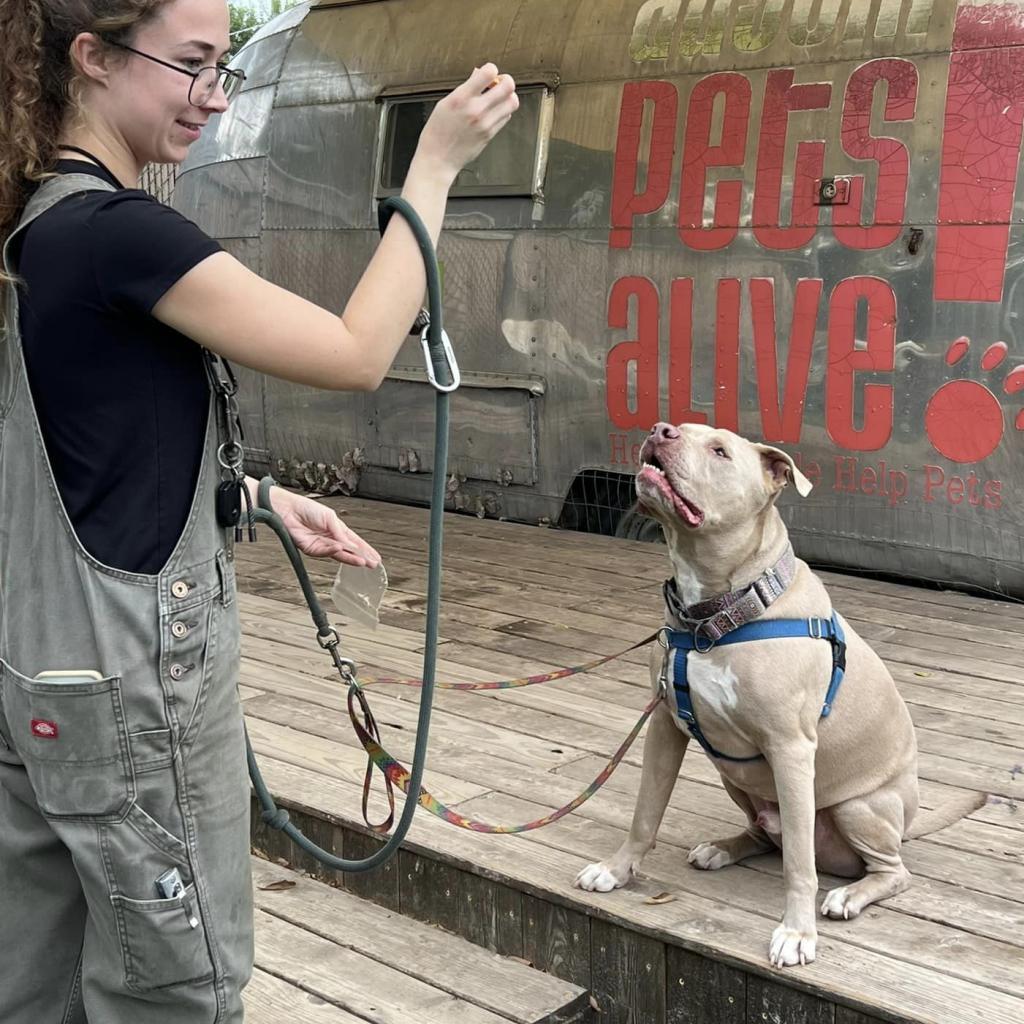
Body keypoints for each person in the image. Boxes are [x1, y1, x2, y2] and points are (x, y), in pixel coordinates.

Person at [0, 1, 518, 1021]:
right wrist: (434, 168)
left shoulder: (29, 231)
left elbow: (69, 454)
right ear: (93, 58)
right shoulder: (120, 235)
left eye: (224, 67)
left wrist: (256, 497)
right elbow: (357, 351)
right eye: (192, 65)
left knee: (38, 982)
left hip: (38, 677)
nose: (214, 96)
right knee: (176, 991)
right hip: (137, 695)